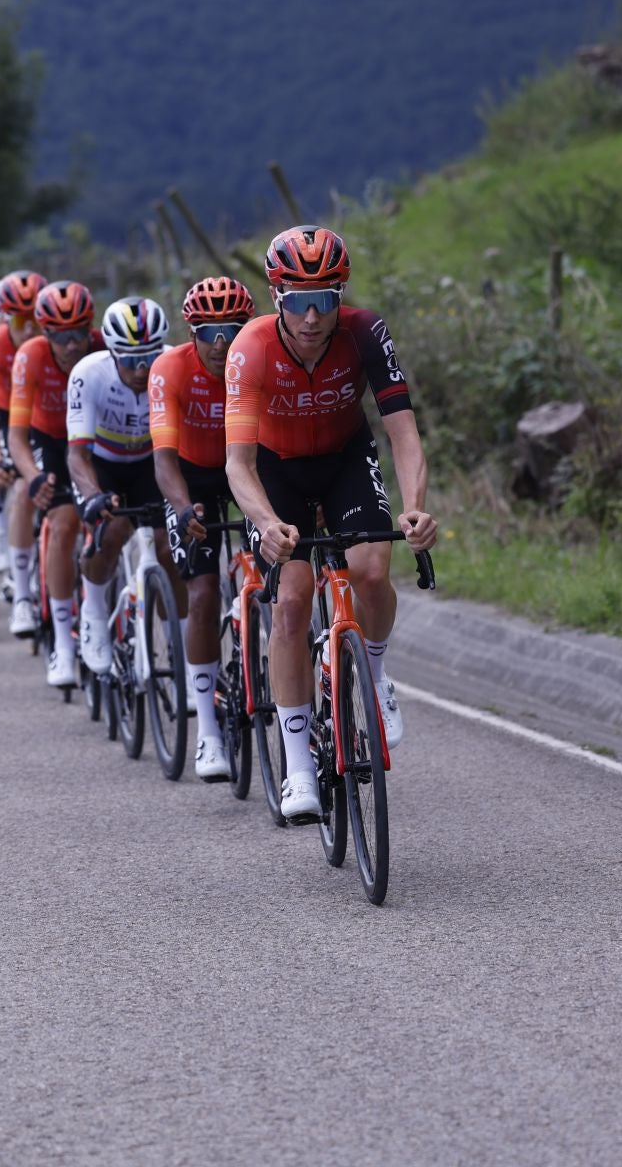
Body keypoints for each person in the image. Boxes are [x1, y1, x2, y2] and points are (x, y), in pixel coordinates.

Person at [222, 226, 438, 819]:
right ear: (275, 297)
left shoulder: (365, 331)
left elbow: (404, 434)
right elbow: (237, 464)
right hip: (275, 469)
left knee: (371, 570)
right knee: (291, 600)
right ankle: (298, 769)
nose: (314, 316)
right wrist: (264, 521)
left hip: (345, 457)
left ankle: (373, 672)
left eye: (326, 298)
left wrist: (415, 507)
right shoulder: (251, 348)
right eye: (298, 300)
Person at [150, 276, 258, 781]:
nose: (221, 342)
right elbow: (164, 459)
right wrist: (183, 507)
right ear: (190, 333)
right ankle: (208, 731)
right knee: (204, 588)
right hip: (190, 478)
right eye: (209, 331)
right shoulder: (169, 368)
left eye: (233, 329)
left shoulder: (256, 358)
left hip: (247, 471)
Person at [67, 298, 175, 676]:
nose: (142, 369)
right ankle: (94, 616)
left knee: (168, 545)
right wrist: (94, 495)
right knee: (109, 532)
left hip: (151, 463)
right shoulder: (88, 373)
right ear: (112, 352)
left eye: (149, 357)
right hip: (103, 465)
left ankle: (174, 636)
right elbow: (77, 456)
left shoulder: (172, 364)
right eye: (130, 360)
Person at [9, 279, 101, 688]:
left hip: (98, 439)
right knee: (63, 524)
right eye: (60, 337)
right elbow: (15, 435)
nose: (70, 345)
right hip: (50, 440)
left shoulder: (105, 347)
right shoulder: (30, 356)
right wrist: (31, 478)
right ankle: (63, 644)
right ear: (46, 333)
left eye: (78, 333)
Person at [0, 270, 46, 635]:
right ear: (5, 318)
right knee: (20, 488)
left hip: (46, 418)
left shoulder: (57, 346)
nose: (30, 328)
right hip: (6, 417)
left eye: (36, 318)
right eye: (20, 319)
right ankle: (20, 595)